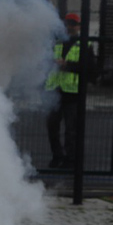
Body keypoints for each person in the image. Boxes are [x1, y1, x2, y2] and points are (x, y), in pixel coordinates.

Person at [45, 13, 91, 169]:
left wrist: (68, 65)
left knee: (71, 129)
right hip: (54, 91)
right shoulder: (55, 42)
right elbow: (43, 61)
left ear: (78, 26)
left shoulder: (85, 44)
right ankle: (57, 156)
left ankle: (71, 160)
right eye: (67, 24)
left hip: (72, 93)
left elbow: (90, 68)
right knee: (52, 127)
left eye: (73, 24)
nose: (69, 27)